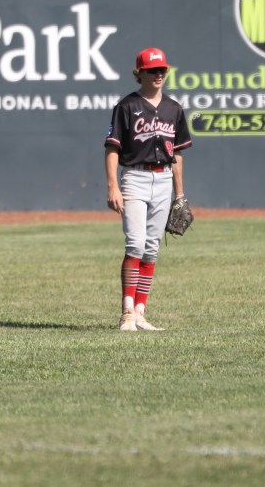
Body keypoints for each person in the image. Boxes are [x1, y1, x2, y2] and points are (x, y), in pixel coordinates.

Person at [104, 47, 192, 331]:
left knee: (152, 248)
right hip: (134, 177)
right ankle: (127, 313)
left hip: (163, 179)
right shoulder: (126, 107)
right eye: (153, 70)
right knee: (136, 243)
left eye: (162, 69)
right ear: (139, 73)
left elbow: (177, 155)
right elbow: (112, 148)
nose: (158, 74)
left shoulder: (174, 109)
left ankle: (141, 312)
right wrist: (113, 186)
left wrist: (180, 194)